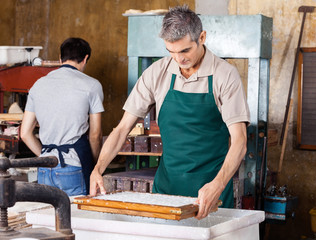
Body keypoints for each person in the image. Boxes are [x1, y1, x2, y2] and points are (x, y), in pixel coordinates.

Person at [90, 5, 249, 219]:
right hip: (166, 191)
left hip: (211, 194)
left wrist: (218, 185)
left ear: (202, 37)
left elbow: (239, 141)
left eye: (185, 51)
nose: (179, 59)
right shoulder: (157, 72)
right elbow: (122, 129)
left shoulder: (225, 75)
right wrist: (98, 168)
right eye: (171, 52)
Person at [21, 37, 104, 196]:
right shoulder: (92, 85)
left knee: (47, 217)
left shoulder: (38, 85)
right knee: (76, 217)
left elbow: (25, 133)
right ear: (85, 58)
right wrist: (96, 166)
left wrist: (46, 156)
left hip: (45, 167)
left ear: (60, 58)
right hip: (74, 166)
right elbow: (95, 135)